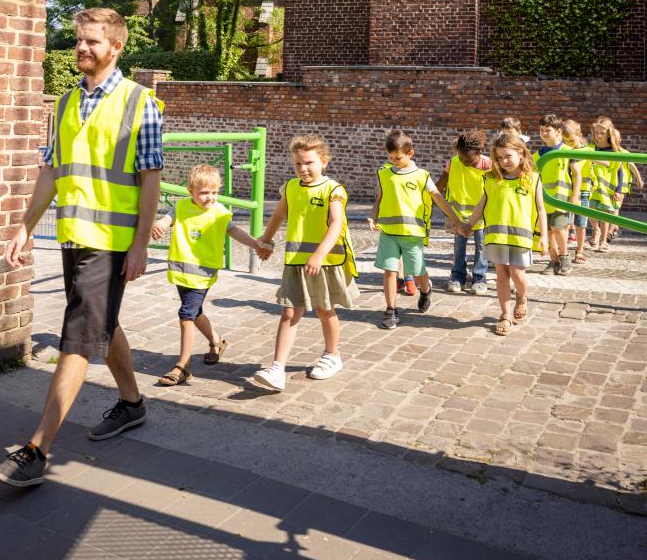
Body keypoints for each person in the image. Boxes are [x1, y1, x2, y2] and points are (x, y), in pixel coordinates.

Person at [0, 8, 163, 488]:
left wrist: (140, 244)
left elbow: (151, 178)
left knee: (78, 336)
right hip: (74, 237)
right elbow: (52, 169)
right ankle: (132, 403)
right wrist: (26, 225)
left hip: (111, 243)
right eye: (78, 41)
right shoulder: (65, 103)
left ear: (116, 47)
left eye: (91, 41)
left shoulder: (139, 102)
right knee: (98, 323)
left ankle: (37, 448)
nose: (82, 48)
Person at [250, 135, 359, 391]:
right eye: (298, 163)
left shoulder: (333, 190)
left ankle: (332, 355)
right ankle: (277, 367)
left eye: (309, 162)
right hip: (295, 261)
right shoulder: (290, 187)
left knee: (325, 308)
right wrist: (265, 240)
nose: (303, 168)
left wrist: (319, 254)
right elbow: (278, 214)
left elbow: (337, 223)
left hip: (326, 262)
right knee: (289, 311)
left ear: (324, 161)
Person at [150, 164, 272, 385]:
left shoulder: (220, 212)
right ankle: (216, 342)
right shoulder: (180, 207)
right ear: (191, 192)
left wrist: (255, 244)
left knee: (186, 315)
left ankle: (183, 366)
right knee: (195, 313)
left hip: (203, 273)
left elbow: (234, 231)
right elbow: (166, 220)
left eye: (214, 192)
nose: (210, 197)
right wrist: (159, 224)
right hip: (181, 270)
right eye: (204, 193)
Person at [368, 130, 463, 330]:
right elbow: (379, 200)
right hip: (389, 233)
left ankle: (426, 290)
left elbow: (438, 198)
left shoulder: (422, 176)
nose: (393, 161)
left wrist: (455, 220)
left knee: (417, 272)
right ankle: (391, 310)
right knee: (390, 272)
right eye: (390, 157)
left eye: (398, 157)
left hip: (412, 235)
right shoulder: (384, 174)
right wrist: (373, 217)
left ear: (410, 153)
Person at [462, 132, 548, 337]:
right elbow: (481, 205)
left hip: (520, 237)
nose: (503, 161)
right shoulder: (491, 179)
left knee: (517, 274)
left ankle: (522, 297)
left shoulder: (532, 179)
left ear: (521, 153)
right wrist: (469, 225)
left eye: (508, 156)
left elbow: (541, 209)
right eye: (499, 158)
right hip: (496, 237)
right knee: (501, 274)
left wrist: (544, 237)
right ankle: (505, 315)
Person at [437, 129, 491, 296]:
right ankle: (457, 275)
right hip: (458, 216)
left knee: (481, 247)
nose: (464, 161)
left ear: (479, 153)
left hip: (481, 216)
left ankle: (479, 277)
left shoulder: (488, 165)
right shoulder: (453, 163)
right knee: (459, 247)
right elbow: (441, 184)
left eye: (468, 159)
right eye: (461, 157)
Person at [588, 117, 640, 251]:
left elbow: (620, 170)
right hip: (593, 185)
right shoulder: (592, 147)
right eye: (596, 132)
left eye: (601, 133)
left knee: (605, 214)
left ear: (609, 133)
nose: (598, 136)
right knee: (590, 210)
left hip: (608, 187)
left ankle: (604, 241)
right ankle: (595, 229)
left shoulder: (615, 151)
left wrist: (618, 190)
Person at [532, 114, 573, 275]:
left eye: (547, 130)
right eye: (541, 130)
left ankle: (565, 257)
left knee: (558, 228)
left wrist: (575, 196)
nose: (543, 133)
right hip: (544, 199)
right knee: (547, 231)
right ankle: (553, 260)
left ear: (558, 132)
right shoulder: (539, 154)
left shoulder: (567, 151)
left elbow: (576, 174)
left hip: (561, 197)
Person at [562, 118, 592, 265]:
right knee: (565, 222)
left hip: (583, 191)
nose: (568, 144)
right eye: (565, 141)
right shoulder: (563, 151)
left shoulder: (587, 150)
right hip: (566, 190)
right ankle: (564, 252)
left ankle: (580, 250)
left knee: (581, 223)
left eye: (571, 140)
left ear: (579, 135)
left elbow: (604, 162)